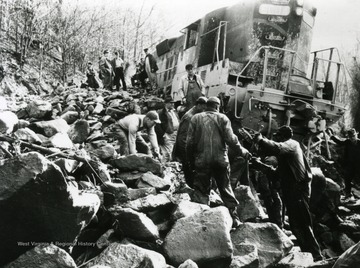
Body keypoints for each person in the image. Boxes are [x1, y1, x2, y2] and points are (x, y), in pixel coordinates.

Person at [254, 125, 323, 261]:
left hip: (298, 190)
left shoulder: (292, 144)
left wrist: (260, 140)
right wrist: (260, 166)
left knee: (303, 223)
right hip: (292, 191)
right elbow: (277, 174)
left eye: (278, 137)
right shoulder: (285, 157)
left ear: (283, 137)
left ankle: (316, 255)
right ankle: (307, 253)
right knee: (295, 224)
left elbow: (277, 147)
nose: (276, 139)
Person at [186, 96, 251, 228]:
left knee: (202, 190)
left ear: (206, 106)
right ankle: (235, 219)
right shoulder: (223, 118)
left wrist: (191, 161)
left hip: (202, 160)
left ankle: (202, 222)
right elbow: (231, 140)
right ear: (218, 106)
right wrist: (243, 152)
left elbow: (189, 143)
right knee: (225, 189)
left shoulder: (195, 118)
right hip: (220, 160)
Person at [172, 96, 207, 187]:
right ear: (198, 105)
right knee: (190, 175)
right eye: (203, 107)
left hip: (190, 151)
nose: (204, 110)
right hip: (186, 153)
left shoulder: (195, 115)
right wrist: (187, 157)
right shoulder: (190, 117)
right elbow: (182, 138)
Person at [330, 128, 360, 198]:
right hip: (350, 164)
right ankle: (348, 194)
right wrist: (332, 136)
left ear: (356, 135)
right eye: (351, 137)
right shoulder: (348, 142)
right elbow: (340, 142)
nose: (352, 138)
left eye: (354, 136)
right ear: (349, 137)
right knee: (347, 178)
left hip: (359, 164)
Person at [155, 96, 180, 162]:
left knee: (174, 151)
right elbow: (157, 125)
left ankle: (170, 165)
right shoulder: (160, 113)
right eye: (170, 103)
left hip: (175, 133)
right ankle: (164, 166)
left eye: (173, 103)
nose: (173, 104)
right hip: (167, 134)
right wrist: (162, 135)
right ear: (166, 104)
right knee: (167, 153)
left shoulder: (174, 111)